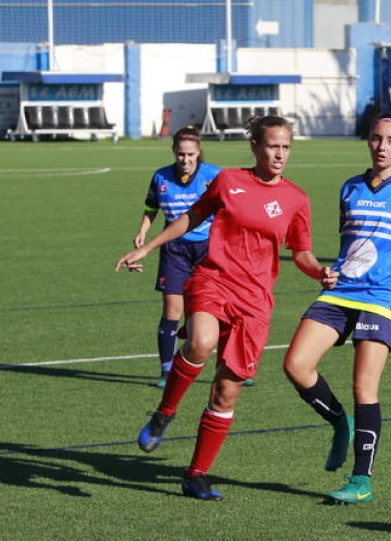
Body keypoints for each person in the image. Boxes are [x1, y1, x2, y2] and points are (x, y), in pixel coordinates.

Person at [115, 115, 338, 502]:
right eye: (272, 146)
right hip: (214, 279)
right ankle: (165, 411)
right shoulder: (229, 180)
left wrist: (319, 271)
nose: (280, 154)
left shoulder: (296, 198)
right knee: (201, 341)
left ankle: (196, 475)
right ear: (255, 147)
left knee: (226, 392)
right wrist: (148, 247)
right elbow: (192, 216)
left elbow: (302, 252)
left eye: (286, 147)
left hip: (255, 302)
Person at [283, 111, 391, 504]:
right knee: (295, 365)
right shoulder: (349, 188)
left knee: (364, 387)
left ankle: (361, 480)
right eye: (377, 139)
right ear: (369, 141)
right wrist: (326, 272)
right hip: (339, 291)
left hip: (379, 296)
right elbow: (350, 245)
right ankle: (339, 422)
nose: (382, 146)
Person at [133, 126, 220, 388]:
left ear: (198, 152)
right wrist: (142, 231)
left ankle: (231, 366)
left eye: (190, 154)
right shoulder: (161, 176)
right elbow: (151, 207)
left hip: (208, 249)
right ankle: (167, 369)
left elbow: (232, 208)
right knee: (172, 309)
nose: (185, 159)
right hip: (174, 250)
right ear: (174, 151)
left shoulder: (213, 175)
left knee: (218, 309)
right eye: (181, 154)